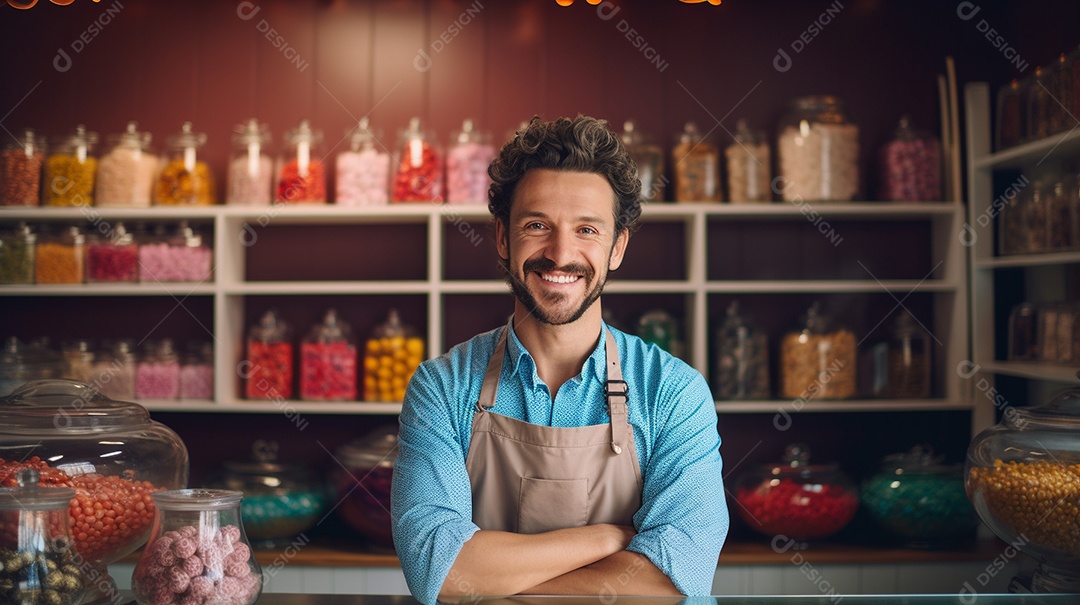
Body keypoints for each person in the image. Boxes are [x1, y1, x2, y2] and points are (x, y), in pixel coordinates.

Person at [391, 115, 728, 604]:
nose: (560, 253)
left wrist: (493, 579)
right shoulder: (443, 387)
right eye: (536, 225)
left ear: (617, 247)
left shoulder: (673, 391)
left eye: (587, 229)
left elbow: (674, 580)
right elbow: (439, 574)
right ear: (503, 240)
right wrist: (610, 537)